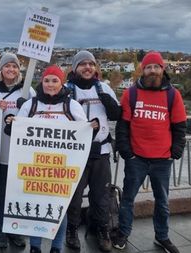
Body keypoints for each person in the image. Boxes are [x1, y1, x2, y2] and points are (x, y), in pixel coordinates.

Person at [5, 65, 96, 253]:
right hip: (34, 167)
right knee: (35, 209)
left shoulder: (72, 105)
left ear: (61, 82)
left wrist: (93, 127)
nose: (50, 84)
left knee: (59, 210)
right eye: (47, 80)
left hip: (60, 168)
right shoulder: (30, 105)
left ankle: (56, 247)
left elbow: (83, 134)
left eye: (55, 80)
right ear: (42, 82)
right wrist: (11, 122)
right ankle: (35, 247)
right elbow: (14, 132)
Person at [113, 51, 186, 253]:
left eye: (156, 67)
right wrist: (127, 152)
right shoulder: (131, 93)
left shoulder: (173, 95)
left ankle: (162, 236)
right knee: (128, 199)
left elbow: (180, 127)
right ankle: (123, 233)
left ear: (162, 69)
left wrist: (176, 151)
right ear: (142, 70)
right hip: (137, 158)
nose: (152, 70)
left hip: (163, 160)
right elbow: (123, 126)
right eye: (148, 67)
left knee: (162, 202)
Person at [65, 50, 121, 252]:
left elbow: (117, 115)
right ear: (75, 68)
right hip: (75, 152)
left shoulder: (104, 87)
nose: (87, 67)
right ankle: (71, 230)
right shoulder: (66, 90)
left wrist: (106, 99)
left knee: (101, 195)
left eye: (91, 64)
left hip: (101, 150)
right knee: (74, 196)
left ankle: (102, 230)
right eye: (82, 64)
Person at [0, 52, 35, 249]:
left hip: (20, 152)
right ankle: (1, 228)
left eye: (15, 66)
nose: (11, 70)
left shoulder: (27, 91)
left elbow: (38, 116)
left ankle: (15, 228)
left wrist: (28, 110)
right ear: (1, 69)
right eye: (7, 66)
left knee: (17, 192)